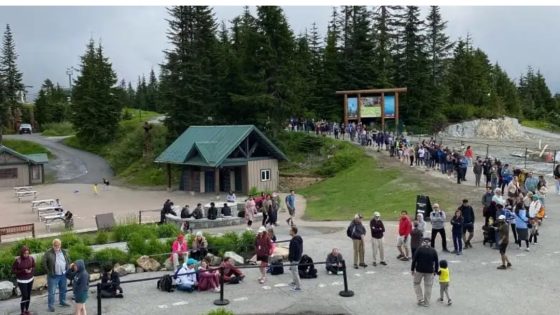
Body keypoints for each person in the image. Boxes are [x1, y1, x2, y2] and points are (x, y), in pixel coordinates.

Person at [44, 238, 71, 312]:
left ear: (60, 245)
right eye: (55, 245)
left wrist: (67, 268)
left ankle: (62, 301)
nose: (57, 246)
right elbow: (44, 263)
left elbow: (68, 260)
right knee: (52, 292)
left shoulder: (64, 252)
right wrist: (49, 272)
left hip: (63, 274)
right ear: (53, 245)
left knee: (63, 289)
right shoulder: (48, 252)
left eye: (58, 245)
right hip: (53, 275)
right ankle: (51, 306)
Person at [411, 237, 439, 307]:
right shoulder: (433, 250)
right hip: (429, 271)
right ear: (430, 243)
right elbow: (436, 262)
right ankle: (427, 302)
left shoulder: (419, 249)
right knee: (428, 286)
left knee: (416, 283)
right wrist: (436, 271)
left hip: (419, 270)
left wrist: (412, 269)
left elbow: (414, 260)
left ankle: (420, 299)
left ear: (423, 242)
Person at [12, 246, 35, 315]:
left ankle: (27, 310)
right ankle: (22, 312)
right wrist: (23, 271)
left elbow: (34, 266)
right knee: (24, 295)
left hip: (30, 279)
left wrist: (31, 270)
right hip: (22, 281)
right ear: (22, 253)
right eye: (25, 253)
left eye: (27, 253)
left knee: (28, 296)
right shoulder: (18, 260)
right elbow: (13, 270)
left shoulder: (31, 258)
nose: (26, 255)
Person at [288, 225, 303, 291]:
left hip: (294, 259)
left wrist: (291, 258)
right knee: (293, 270)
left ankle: (298, 286)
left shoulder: (294, 241)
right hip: (298, 257)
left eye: (290, 230)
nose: (289, 231)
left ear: (293, 232)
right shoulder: (298, 239)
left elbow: (293, 251)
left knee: (295, 271)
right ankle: (294, 282)